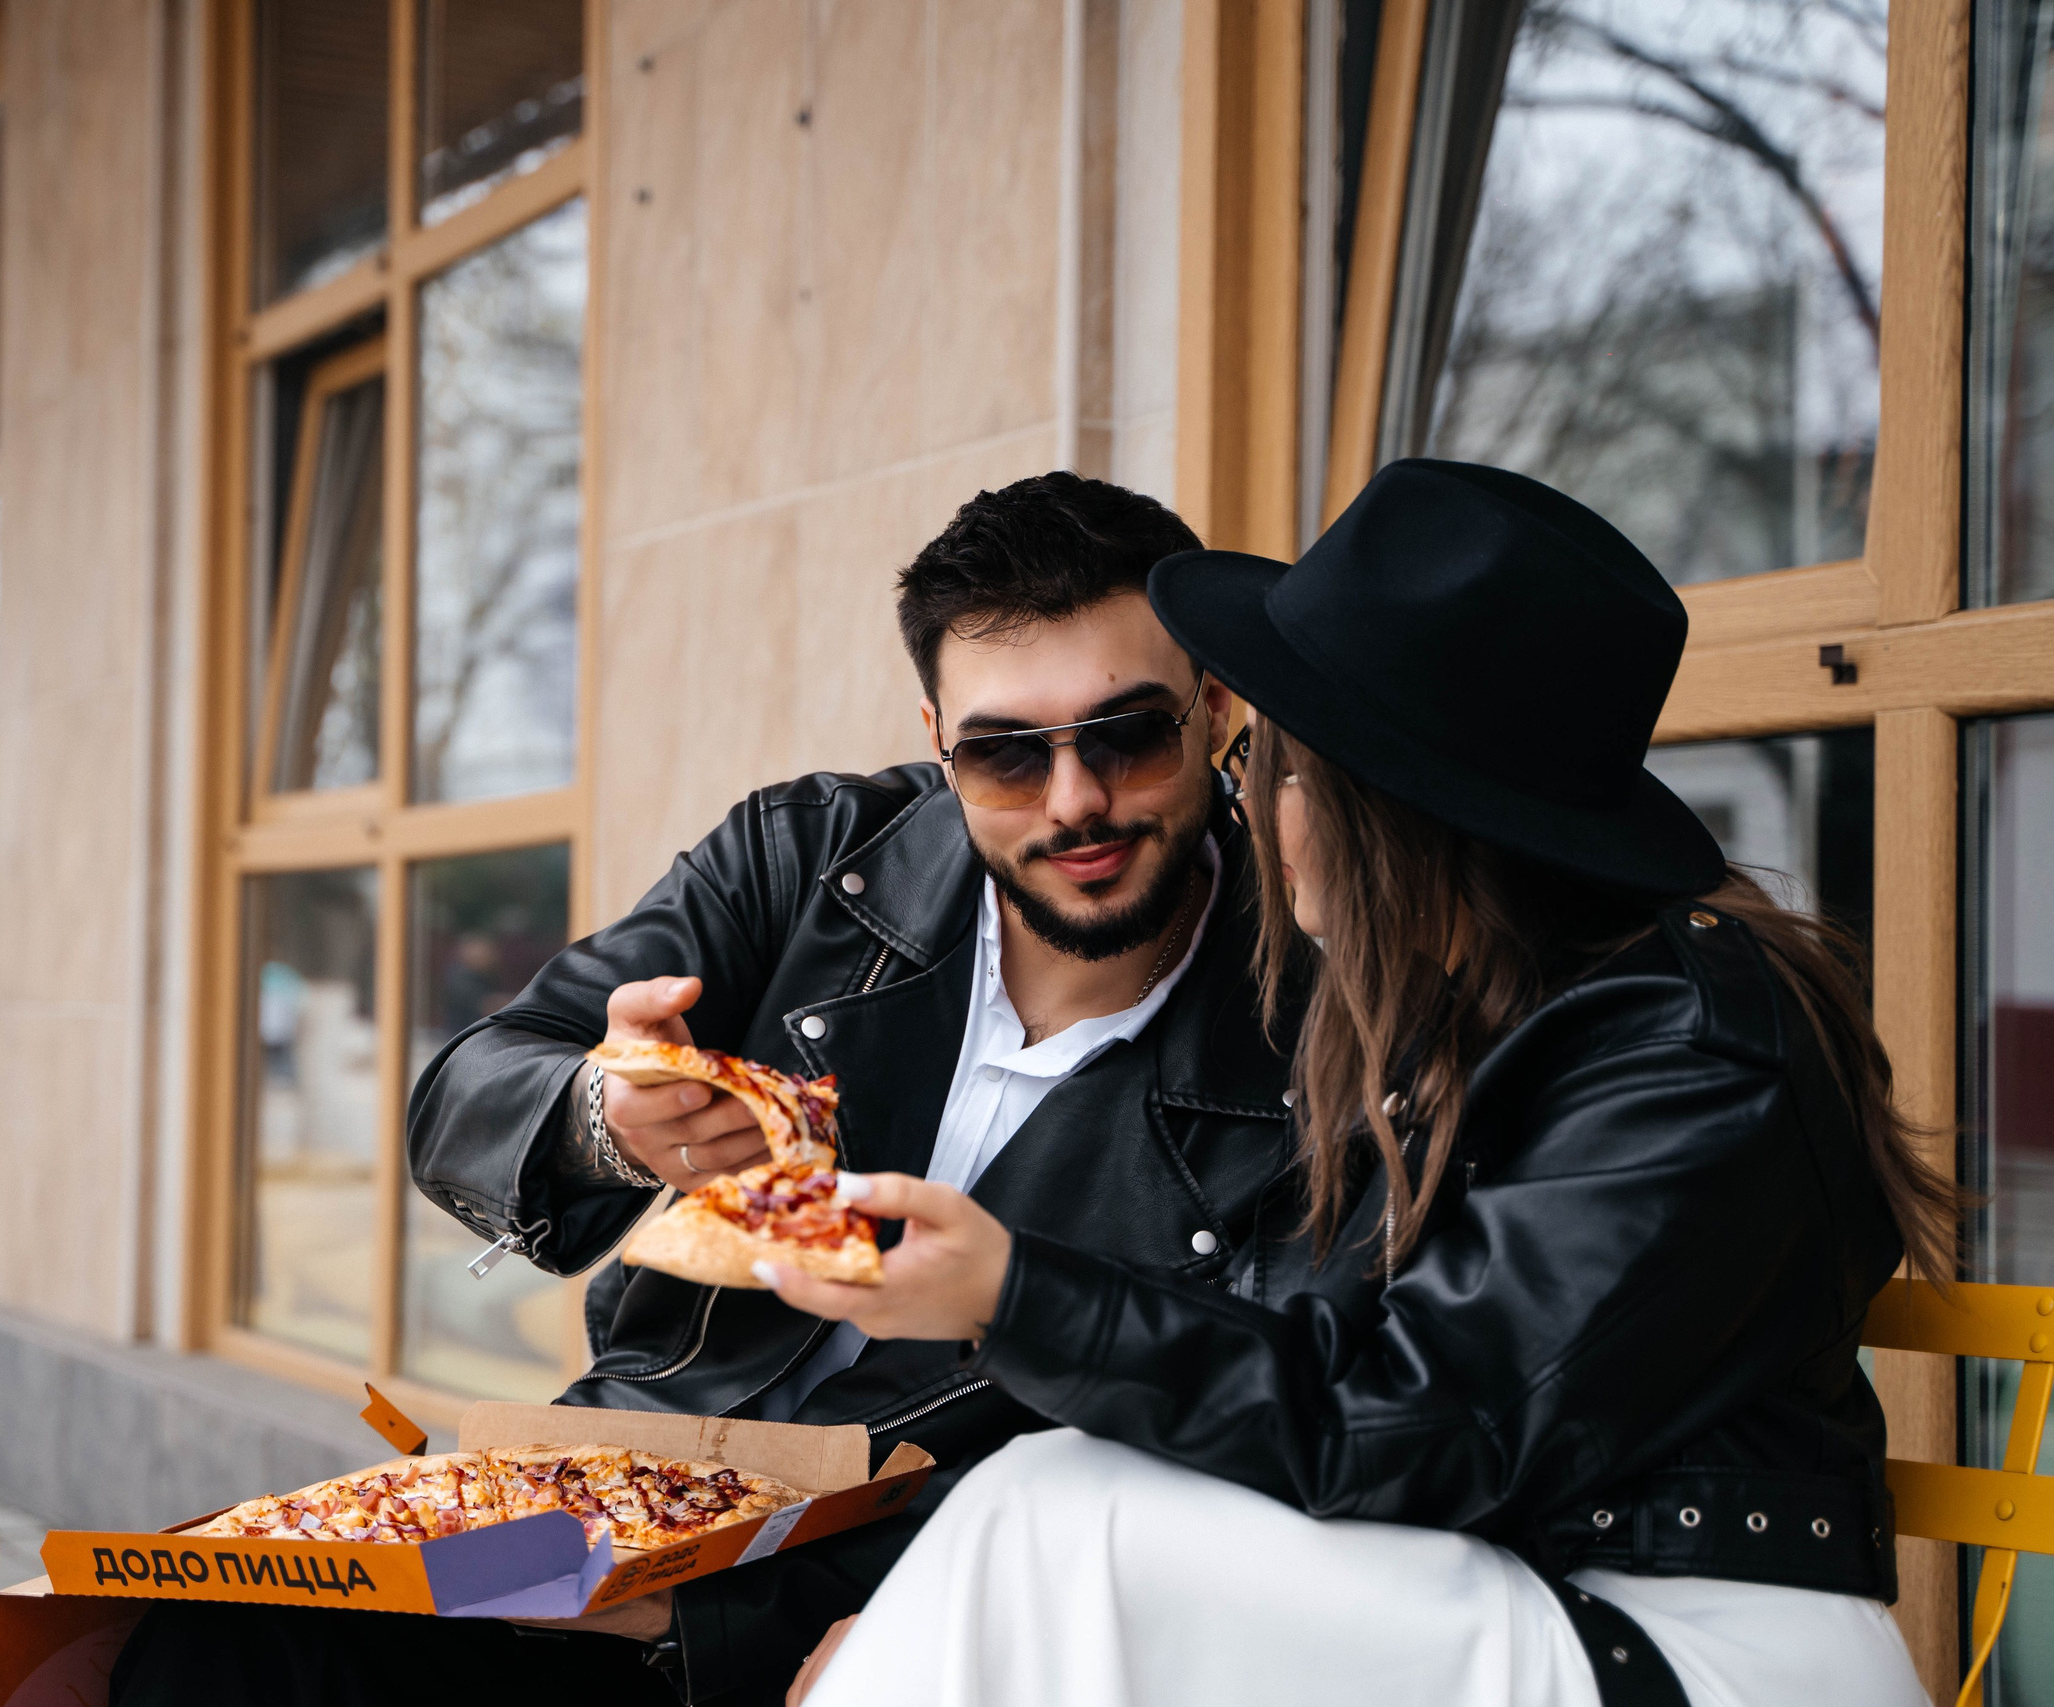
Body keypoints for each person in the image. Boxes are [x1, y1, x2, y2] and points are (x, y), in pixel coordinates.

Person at [762, 460, 1957, 1707]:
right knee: (1020, 1520)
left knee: (1052, 1524)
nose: (1249, 824)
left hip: (1687, 1646)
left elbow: (1426, 1416)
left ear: (1376, 812)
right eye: (1002, 752)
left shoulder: (1697, 1056)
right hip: (618, 1544)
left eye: (1263, 774)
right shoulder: (1483, 1020)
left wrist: (1013, 1294)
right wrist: (922, 1618)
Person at [109, 473, 1302, 1707]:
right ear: (938, 742)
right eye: (1005, 752)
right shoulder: (808, 857)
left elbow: (1238, 1435)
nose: (1074, 802)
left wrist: (769, 1613)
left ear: (1214, 711)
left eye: (1127, 733)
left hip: (902, 1591)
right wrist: (607, 1117)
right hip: (611, 1502)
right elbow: (469, 1089)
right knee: (219, 1640)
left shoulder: (1316, 1021)